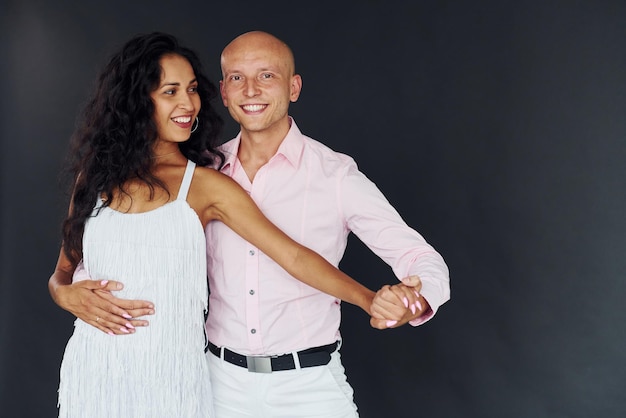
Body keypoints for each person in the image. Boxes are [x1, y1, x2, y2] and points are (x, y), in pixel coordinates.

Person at [51, 31, 449, 417]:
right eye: (238, 78)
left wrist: (395, 300)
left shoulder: (333, 176)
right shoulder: (206, 166)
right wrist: (64, 293)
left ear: (294, 87)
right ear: (224, 93)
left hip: (307, 383)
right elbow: (100, 260)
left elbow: (299, 256)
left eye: (267, 76)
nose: (251, 90)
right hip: (216, 380)